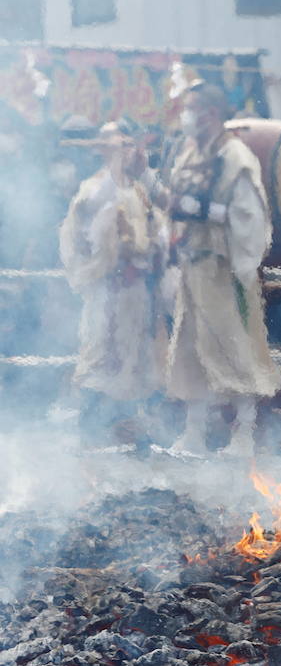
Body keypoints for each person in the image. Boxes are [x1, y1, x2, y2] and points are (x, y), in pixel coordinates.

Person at [163, 82, 281, 456]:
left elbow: (248, 217)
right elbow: (174, 204)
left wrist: (195, 210)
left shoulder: (235, 157)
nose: (185, 115)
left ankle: (243, 435)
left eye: (192, 108)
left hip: (224, 267)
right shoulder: (187, 153)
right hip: (193, 266)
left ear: (210, 113)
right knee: (190, 349)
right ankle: (194, 433)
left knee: (235, 347)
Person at [58, 122, 168, 444]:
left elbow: (159, 225)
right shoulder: (94, 188)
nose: (126, 151)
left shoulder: (140, 189)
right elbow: (82, 229)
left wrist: (155, 255)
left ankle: (138, 432)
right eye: (117, 144)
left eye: (129, 144)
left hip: (140, 291)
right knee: (102, 356)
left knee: (141, 359)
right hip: (108, 290)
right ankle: (91, 431)